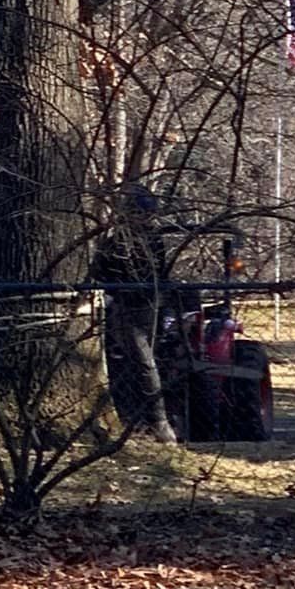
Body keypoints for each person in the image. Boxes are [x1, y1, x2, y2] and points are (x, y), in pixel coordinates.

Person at [94, 184, 176, 442]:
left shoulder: (152, 242)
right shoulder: (115, 243)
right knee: (126, 361)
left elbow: (156, 275)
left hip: (142, 306)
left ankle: (159, 422)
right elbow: (100, 270)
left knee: (144, 361)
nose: (144, 220)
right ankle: (134, 417)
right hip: (118, 304)